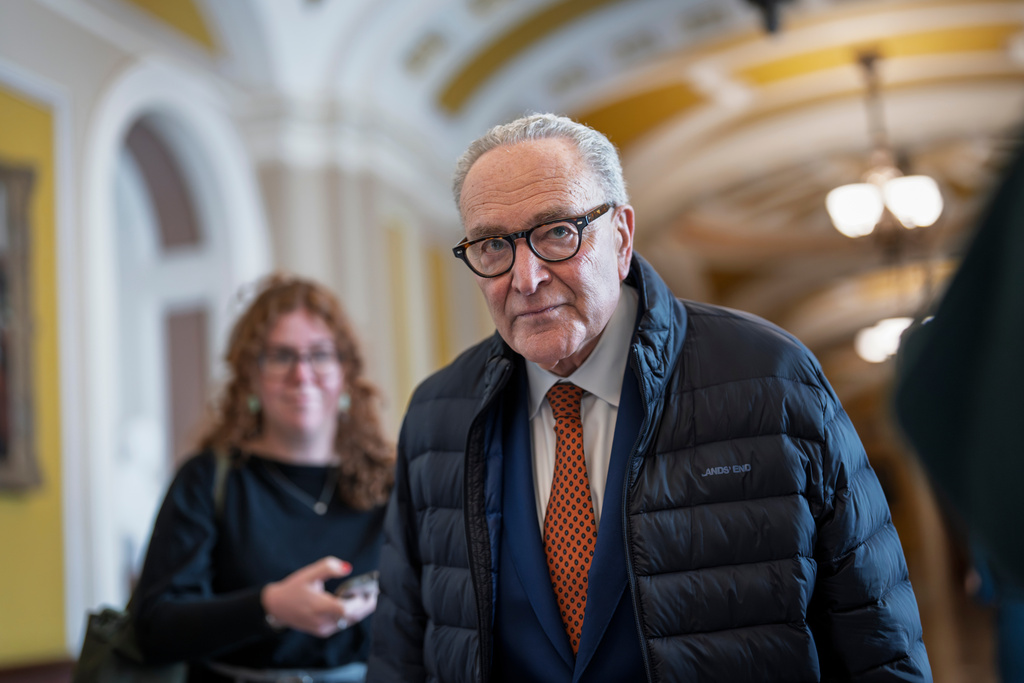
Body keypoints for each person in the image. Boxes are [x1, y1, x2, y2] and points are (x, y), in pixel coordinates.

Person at [366, 114, 931, 683]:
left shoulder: (771, 378)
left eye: (558, 232)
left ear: (621, 235)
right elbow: (401, 650)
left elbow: (877, 641)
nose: (527, 277)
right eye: (493, 245)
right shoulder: (438, 416)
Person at [133, 274, 395, 683]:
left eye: (320, 354)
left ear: (346, 372)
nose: (302, 373)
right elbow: (153, 628)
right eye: (280, 356)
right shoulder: (207, 479)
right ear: (250, 377)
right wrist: (268, 606)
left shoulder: (393, 481)